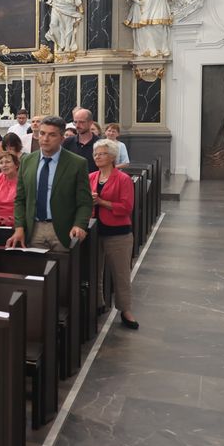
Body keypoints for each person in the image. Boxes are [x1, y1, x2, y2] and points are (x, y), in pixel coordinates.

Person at [6, 116, 92, 252]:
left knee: (63, 272)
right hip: (33, 230)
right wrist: (19, 228)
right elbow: (20, 199)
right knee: (34, 272)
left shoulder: (77, 163)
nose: (45, 139)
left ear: (62, 138)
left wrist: (79, 225)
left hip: (64, 230)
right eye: (42, 133)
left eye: (52, 135)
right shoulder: (27, 161)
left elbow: (85, 202)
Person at [91, 139, 138, 329]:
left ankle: (125, 309)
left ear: (111, 157)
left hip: (118, 233)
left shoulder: (123, 179)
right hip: (95, 230)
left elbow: (126, 208)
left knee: (121, 274)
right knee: (95, 271)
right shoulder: (91, 177)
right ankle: (98, 303)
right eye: (95, 154)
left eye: (101, 154)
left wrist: (101, 202)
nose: (97, 157)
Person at [63, 108, 100, 173]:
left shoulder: (100, 144)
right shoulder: (67, 142)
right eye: (75, 122)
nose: (77, 125)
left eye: (81, 122)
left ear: (90, 123)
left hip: (92, 181)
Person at [0, 150, 19, 227]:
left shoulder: (23, 180)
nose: (4, 165)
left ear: (16, 165)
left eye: (8, 162)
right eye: (1, 163)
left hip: (18, 223)